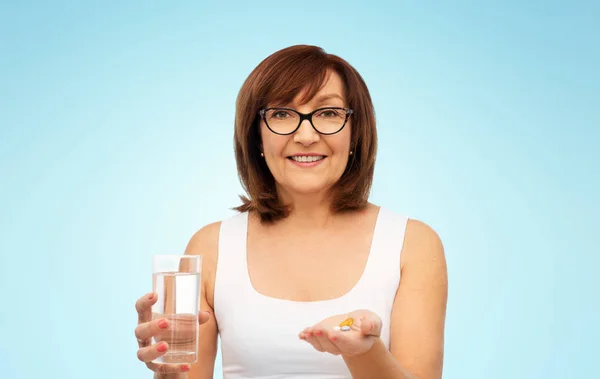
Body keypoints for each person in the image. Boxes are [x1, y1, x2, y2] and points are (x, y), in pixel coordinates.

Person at [134, 44, 448, 379]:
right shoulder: (211, 247)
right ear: (257, 136)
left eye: (328, 113)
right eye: (282, 114)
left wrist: (364, 352)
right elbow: (185, 374)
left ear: (355, 131)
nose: (307, 135)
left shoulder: (411, 244)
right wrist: (167, 371)